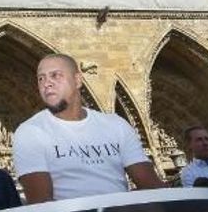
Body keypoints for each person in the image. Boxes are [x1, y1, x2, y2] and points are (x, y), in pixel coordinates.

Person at [12, 53, 165, 203]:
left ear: (78, 80)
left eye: (55, 75)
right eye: (41, 78)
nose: (47, 83)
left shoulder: (116, 125)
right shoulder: (30, 132)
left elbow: (152, 187)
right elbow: (42, 204)